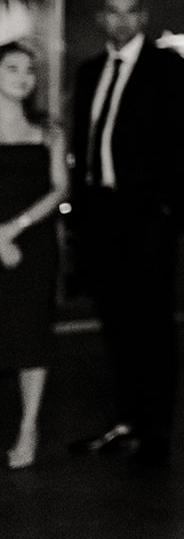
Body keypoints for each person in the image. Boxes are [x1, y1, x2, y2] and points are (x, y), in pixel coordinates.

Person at [67, 0, 184, 466]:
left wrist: (164, 209)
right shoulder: (89, 72)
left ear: (143, 17)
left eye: (130, 12)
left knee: (152, 326)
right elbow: (84, 148)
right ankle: (125, 421)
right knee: (116, 324)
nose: (121, 20)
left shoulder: (169, 69)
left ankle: (155, 431)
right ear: (100, 17)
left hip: (146, 217)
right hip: (100, 215)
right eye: (112, 12)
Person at [0, 42, 68, 469]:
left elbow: (60, 188)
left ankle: (28, 428)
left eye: (29, 70)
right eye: (12, 68)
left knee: (30, 338)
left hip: (33, 245)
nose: (23, 77)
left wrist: (14, 229)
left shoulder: (48, 131)